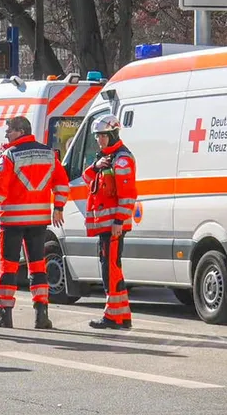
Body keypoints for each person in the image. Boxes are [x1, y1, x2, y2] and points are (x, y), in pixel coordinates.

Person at [0, 116, 69, 330]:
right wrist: (58, 207)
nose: (6, 134)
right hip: (39, 220)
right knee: (38, 266)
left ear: (21, 131)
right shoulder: (49, 154)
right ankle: (42, 315)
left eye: (9, 130)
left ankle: (5, 315)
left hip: (12, 221)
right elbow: (61, 182)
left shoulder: (9, 156)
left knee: (9, 267)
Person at [83, 114, 137, 330]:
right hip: (105, 226)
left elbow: (128, 195)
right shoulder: (107, 158)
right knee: (113, 268)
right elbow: (88, 179)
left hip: (113, 226)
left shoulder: (121, 159)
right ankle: (123, 316)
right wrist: (96, 166)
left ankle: (112, 317)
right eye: (97, 136)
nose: (100, 140)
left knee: (111, 270)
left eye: (104, 136)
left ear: (114, 134)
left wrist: (118, 221)